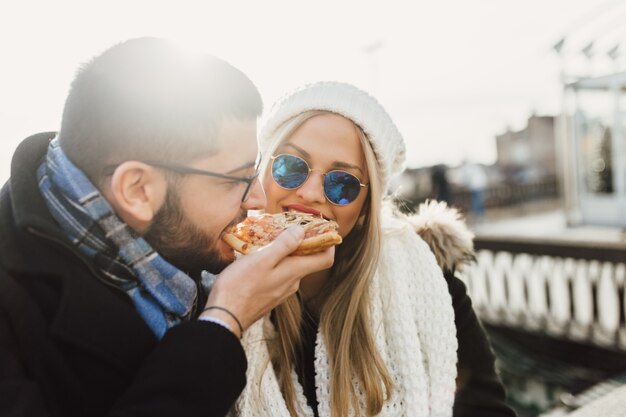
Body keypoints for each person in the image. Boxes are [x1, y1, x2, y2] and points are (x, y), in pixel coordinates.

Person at [0, 38, 334, 417]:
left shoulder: (172, 243)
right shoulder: (13, 316)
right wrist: (224, 322)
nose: (257, 199)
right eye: (234, 180)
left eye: (255, 169)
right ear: (138, 190)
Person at [230, 82, 517, 417]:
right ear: (263, 172)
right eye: (291, 167)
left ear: (366, 207)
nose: (310, 193)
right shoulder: (216, 282)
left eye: (341, 183)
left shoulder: (428, 285)